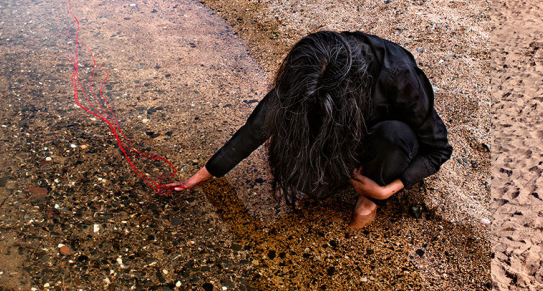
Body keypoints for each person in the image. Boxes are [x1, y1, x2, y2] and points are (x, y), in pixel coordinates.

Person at [172, 30, 452, 228]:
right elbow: (256, 129)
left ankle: (367, 204)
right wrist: (199, 177)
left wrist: (387, 191)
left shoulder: (399, 77)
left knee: (395, 136)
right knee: (310, 187)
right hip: (347, 135)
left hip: (386, 140)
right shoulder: (309, 67)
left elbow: (438, 149)